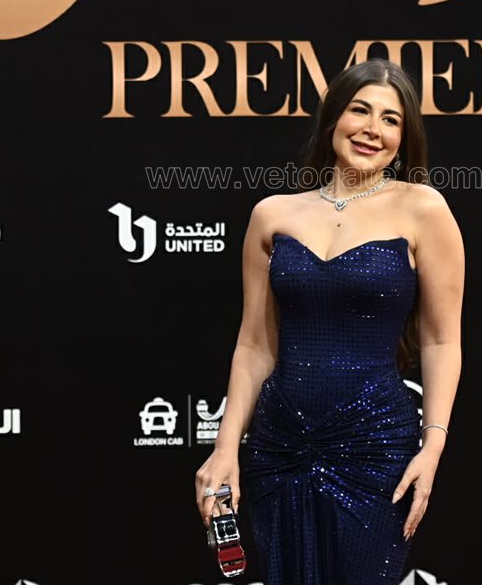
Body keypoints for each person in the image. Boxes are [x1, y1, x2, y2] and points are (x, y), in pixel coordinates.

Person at [194, 59, 465, 584]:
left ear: (403, 140)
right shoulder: (272, 214)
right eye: (360, 110)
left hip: (374, 445)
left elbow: (440, 340)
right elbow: (254, 345)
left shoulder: (424, 209)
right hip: (280, 444)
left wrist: (432, 447)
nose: (372, 129)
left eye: (390, 119)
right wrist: (226, 448)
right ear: (333, 119)